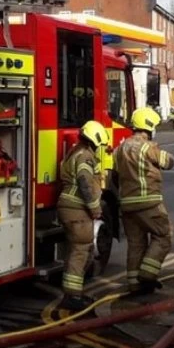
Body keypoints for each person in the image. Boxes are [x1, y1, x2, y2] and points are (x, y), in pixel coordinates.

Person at [113, 107, 174, 296]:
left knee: (136, 244)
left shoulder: (120, 149)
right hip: (148, 201)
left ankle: (134, 284)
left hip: (127, 203)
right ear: (148, 127)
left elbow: (115, 175)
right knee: (164, 235)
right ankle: (148, 274)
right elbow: (169, 162)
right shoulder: (147, 147)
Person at [57, 120, 110, 311]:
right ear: (94, 140)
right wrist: (95, 208)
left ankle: (73, 293)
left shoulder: (74, 152)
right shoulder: (85, 157)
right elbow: (85, 183)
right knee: (81, 250)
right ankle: (72, 296)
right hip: (77, 208)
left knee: (77, 250)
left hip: (69, 207)